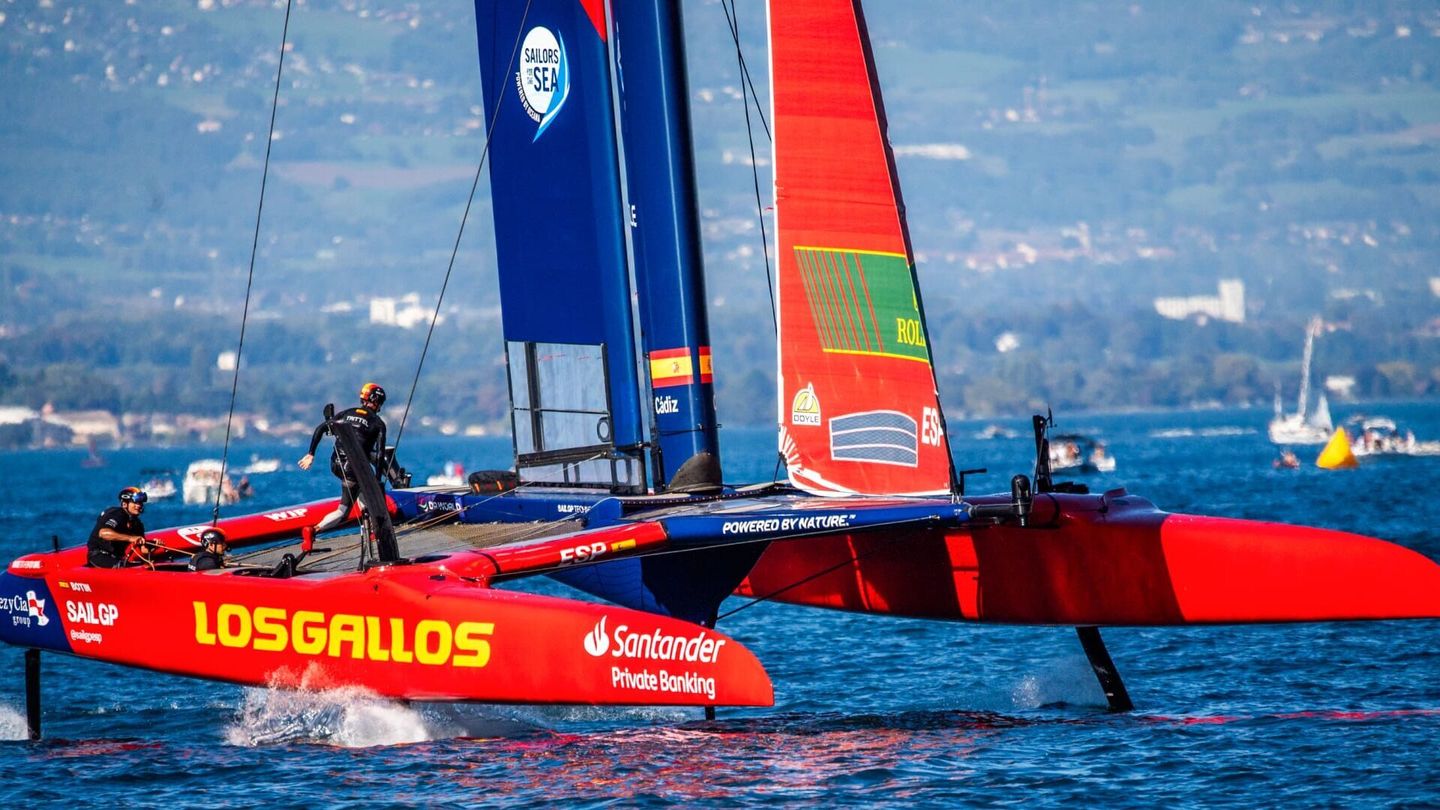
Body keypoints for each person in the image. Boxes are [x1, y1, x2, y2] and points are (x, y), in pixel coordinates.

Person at [298, 382, 388, 533]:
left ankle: (367, 525)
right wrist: (377, 482)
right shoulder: (378, 424)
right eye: (381, 403)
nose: (380, 407)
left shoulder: (346, 413)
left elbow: (321, 428)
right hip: (354, 470)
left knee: (359, 489)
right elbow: (379, 456)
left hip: (336, 465)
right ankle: (315, 530)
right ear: (376, 402)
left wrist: (310, 454)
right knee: (343, 511)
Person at [87, 486, 148, 568]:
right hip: (99, 557)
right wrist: (131, 538)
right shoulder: (116, 514)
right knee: (125, 568)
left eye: (140, 502)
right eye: (135, 502)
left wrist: (152, 546)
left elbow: (143, 550)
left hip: (117, 559)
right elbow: (103, 533)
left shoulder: (137, 524)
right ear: (124, 504)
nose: (139, 505)